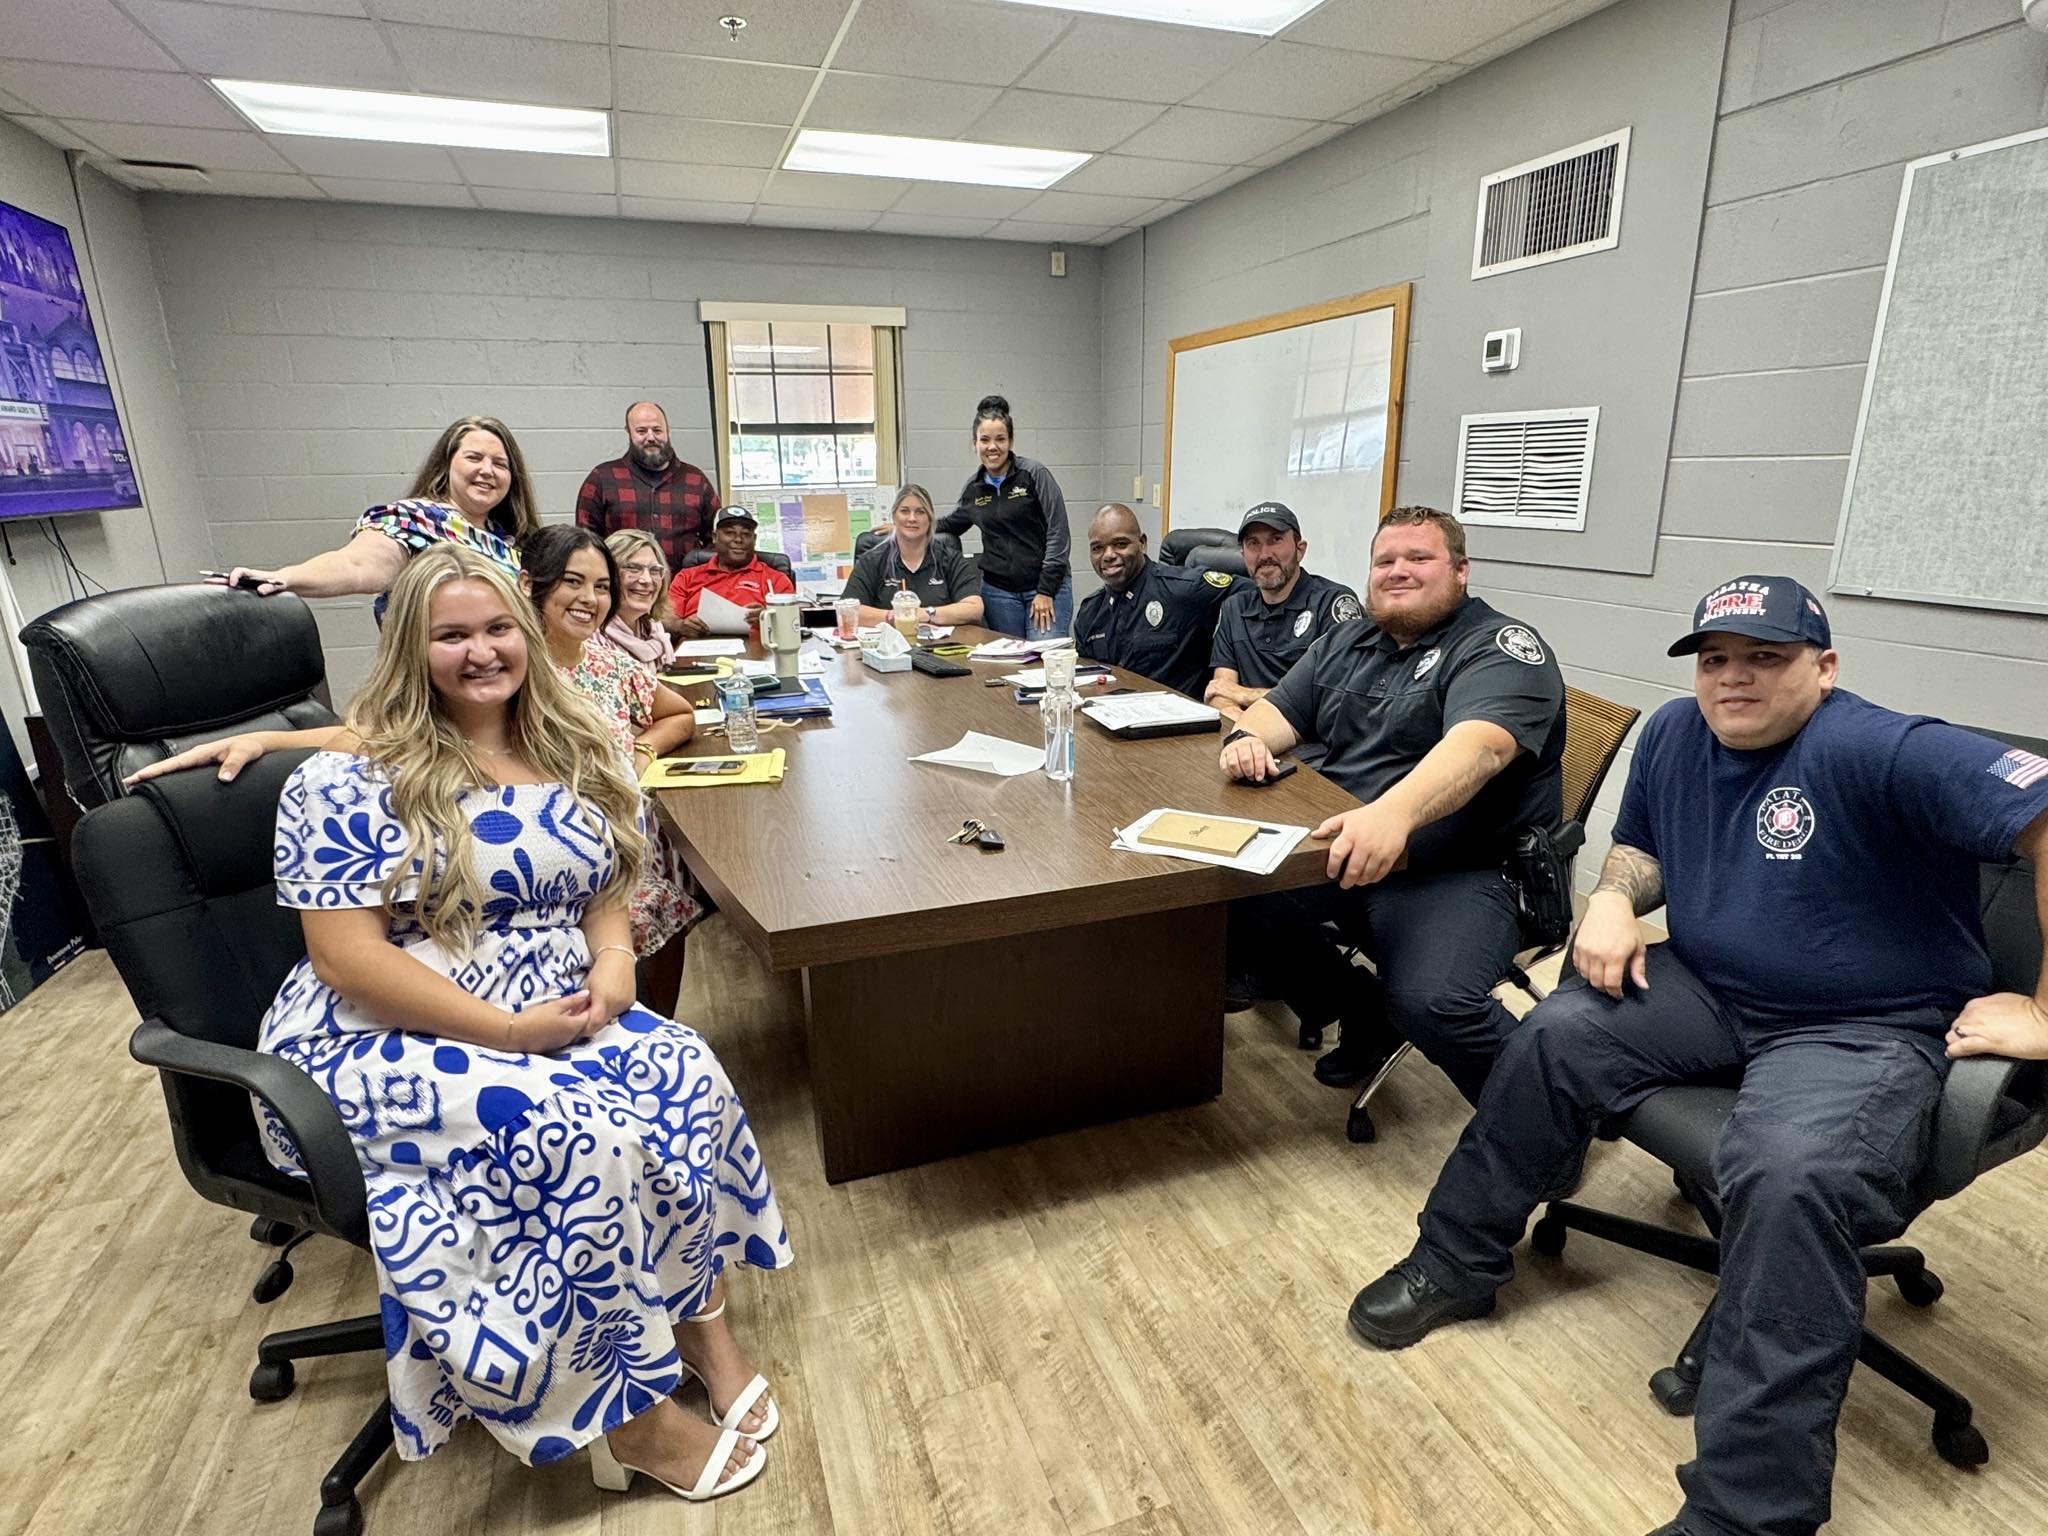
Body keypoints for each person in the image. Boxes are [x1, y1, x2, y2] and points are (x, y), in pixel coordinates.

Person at [1347, 575, 2048, 1536]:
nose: (1735, 680)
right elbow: (1640, 846)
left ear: (1825, 668)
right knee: (1555, 1034)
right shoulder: (1678, 733)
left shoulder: (1880, 746)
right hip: (1716, 986)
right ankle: (1456, 1263)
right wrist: (1605, 902)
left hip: (1864, 1022)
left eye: (1767, 658)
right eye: (1717, 659)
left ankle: (1748, 1516)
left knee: (1791, 1172)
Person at [254, 545, 789, 1500]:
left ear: (526, 636)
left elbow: (607, 881)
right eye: (450, 634)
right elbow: (346, 958)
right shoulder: (346, 777)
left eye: (496, 628)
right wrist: (503, 1034)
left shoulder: (571, 742)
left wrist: (618, 965)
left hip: (563, 1001)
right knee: (572, 1135)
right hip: (391, 1030)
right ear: (408, 648)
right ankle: (629, 1415)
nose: (481, 651)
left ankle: (698, 1329)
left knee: (683, 1071)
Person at [1222, 506, 1563, 1087]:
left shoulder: (1498, 647)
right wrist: (1245, 740)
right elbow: (1275, 713)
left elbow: (1479, 748)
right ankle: (1363, 1009)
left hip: (1462, 868)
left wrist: (1394, 816)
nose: (1397, 571)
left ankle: (1554, 1107)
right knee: (1215, 899)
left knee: (1433, 1002)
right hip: (1349, 850)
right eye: (1385, 560)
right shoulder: (1350, 639)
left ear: (1461, 571)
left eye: (1419, 558)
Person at [522, 524, 700, 1016]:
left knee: (666, 894)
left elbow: (678, 715)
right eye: (571, 582)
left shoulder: (601, 656)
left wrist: (639, 754)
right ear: (528, 586)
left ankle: (660, 1023)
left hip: (627, 839)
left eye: (601, 587)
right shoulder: (513, 668)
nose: (590, 598)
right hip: (557, 856)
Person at [210, 415, 538, 607]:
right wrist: (287, 577)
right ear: (446, 466)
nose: (487, 470)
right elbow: (356, 565)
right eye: (474, 458)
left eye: (500, 463)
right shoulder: (414, 521)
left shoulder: (516, 543)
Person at [1204, 501, 1363, 736]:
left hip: (1313, 747)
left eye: (1276, 540)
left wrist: (1243, 695)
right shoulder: (1234, 608)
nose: (1265, 554)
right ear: (1243, 555)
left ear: (1300, 549)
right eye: (1253, 544)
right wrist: (1247, 730)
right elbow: (1219, 692)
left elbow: (1333, 702)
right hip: (1245, 736)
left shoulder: (1333, 603)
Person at [937, 394, 1072, 639]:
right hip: (998, 594)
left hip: (1045, 590)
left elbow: (1058, 533)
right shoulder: (973, 488)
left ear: (1010, 442)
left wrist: (1045, 591)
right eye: (985, 439)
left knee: (1044, 661)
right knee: (1008, 666)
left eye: (1000, 439)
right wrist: (906, 526)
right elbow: (951, 524)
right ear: (974, 444)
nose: (992, 447)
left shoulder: (1034, 474)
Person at [1073, 502, 1236, 698]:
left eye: (1120, 544)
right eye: (1098, 548)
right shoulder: (1090, 613)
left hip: (1177, 720)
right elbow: (1087, 680)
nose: (1108, 555)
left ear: (1142, 544)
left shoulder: (1183, 589)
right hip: (1112, 716)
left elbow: (1255, 593)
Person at [575, 401, 720, 577]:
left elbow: (716, 538)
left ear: (669, 431)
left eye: (657, 430)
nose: (650, 437)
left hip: (685, 592)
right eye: (641, 431)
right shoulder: (602, 479)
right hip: (624, 593)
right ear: (628, 433)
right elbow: (586, 543)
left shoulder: (696, 480)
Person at [840, 484, 985, 628]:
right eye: (904, 511)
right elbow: (848, 610)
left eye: (920, 512)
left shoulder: (950, 559)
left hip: (942, 645)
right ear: (894, 516)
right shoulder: (872, 560)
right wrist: (895, 617)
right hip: (890, 646)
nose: (912, 518)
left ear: (930, 519)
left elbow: (974, 608)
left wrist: (927, 614)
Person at [667, 506, 794, 639]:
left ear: (754, 539)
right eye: (729, 532)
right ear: (715, 537)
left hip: (758, 653)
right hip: (696, 649)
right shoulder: (687, 577)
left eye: (746, 534)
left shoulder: (776, 579)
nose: (738, 539)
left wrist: (769, 618)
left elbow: (797, 619)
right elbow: (665, 619)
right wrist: (680, 626)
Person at [601, 527, 679, 668]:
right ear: (607, 574)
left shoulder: (653, 628)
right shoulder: (593, 639)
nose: (647, 580)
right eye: (632, 568)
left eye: (654, 570)